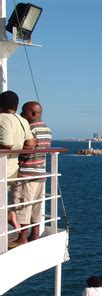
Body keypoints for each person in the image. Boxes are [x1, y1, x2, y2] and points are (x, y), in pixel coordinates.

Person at [9, 102, 52, 247]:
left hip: (27, 173)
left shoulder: (29, 128)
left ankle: (22, 238)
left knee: (23, 205)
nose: (21, 114)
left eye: (24, 111)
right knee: (35, 206)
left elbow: (27, 148)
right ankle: (34, 235)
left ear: (32, 113)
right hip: (40, 172)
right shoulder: (47, 129)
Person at [0, 91, 35, 232]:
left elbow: (6, 144)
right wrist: (20, 146)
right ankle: (9, 214)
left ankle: (8, 214)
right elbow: (31, 143)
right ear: (16, 105)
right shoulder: (22, 120)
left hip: (2, 169)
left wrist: (13, 146)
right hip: (12, 169)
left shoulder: (3, 119)